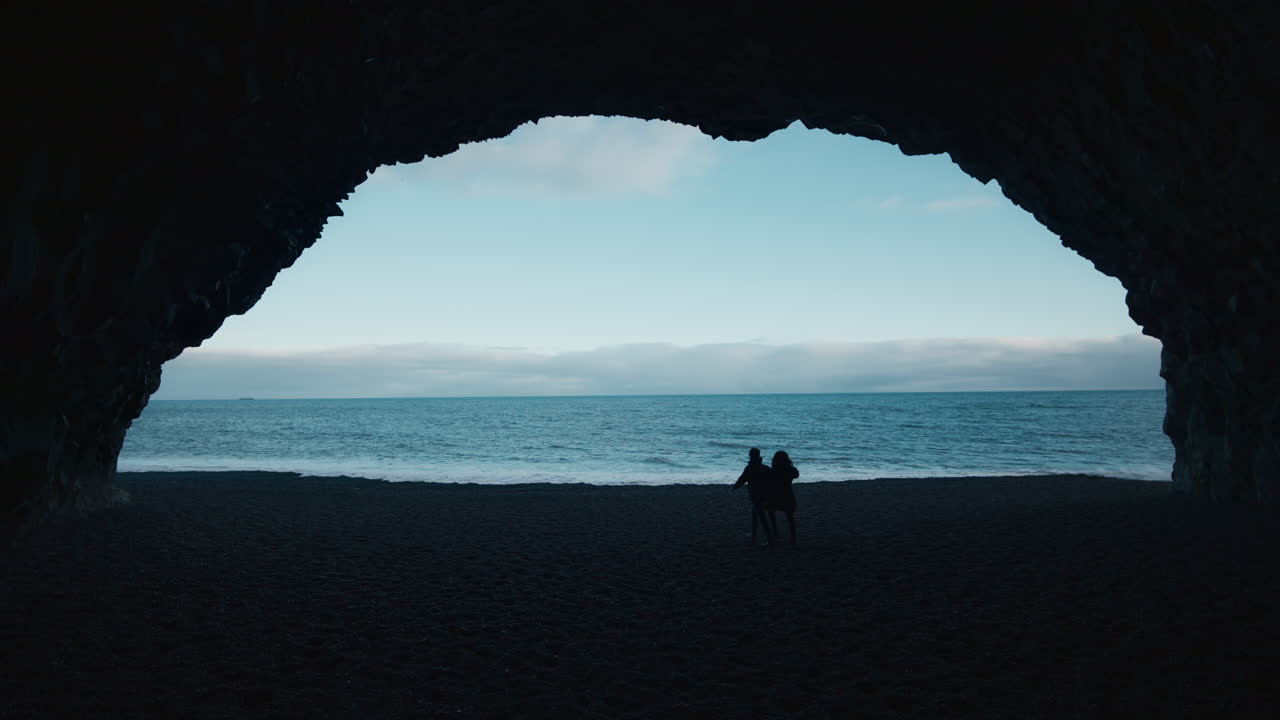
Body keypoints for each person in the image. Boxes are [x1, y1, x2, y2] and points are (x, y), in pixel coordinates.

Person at [732, 447, 775, 547]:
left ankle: (769, 539)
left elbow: (742, 479)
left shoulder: (750, 468)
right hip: (765, 494)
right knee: (755, 513)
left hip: (755, 495)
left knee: (761, 516)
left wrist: (735, 487)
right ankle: (755, 533)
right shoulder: (765, 468)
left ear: (751, 456)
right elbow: (773, 480)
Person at [768, 450, 799, 545]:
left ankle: (775, 533)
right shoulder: (790, 470)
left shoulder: (774, 470)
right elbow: (796, 474)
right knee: (790, 517)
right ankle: (793, 538)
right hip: (788, 494)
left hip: (776, 495)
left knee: (771, 512)